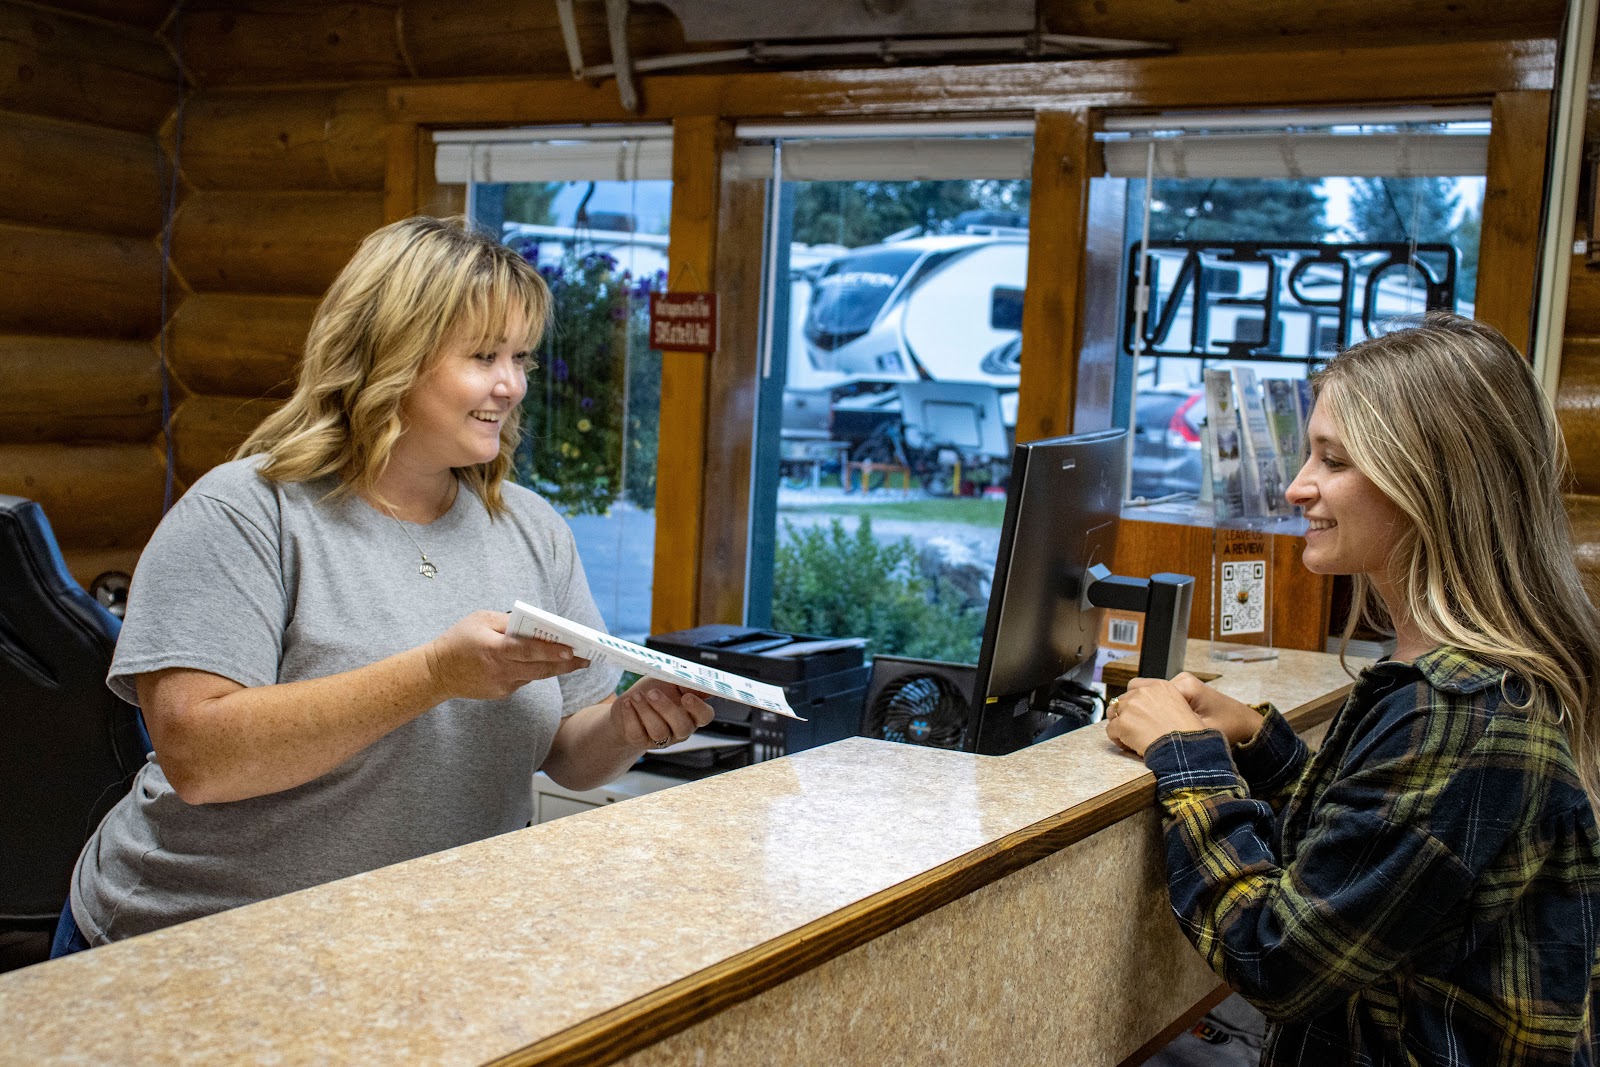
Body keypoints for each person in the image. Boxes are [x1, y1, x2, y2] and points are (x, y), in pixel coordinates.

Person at [54, 216, 712, 953]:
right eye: (484, 355)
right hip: (189, 942)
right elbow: (199, 759)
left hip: (412, 946)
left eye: (521, 357)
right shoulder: (245, 512)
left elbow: (567, 748)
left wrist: (629, 724)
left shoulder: (532, 530)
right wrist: (434, 674)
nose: (513, 384)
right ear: (391, 355)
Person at [1106, 313, 1600, 1064]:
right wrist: (1260, 743)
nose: (1300, 486)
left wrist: (1189, 761)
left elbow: (1275, 955)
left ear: (1429, 482)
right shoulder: (1473, 682)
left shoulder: (1462, 715)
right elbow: (1383, 851)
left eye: (1333, 461)